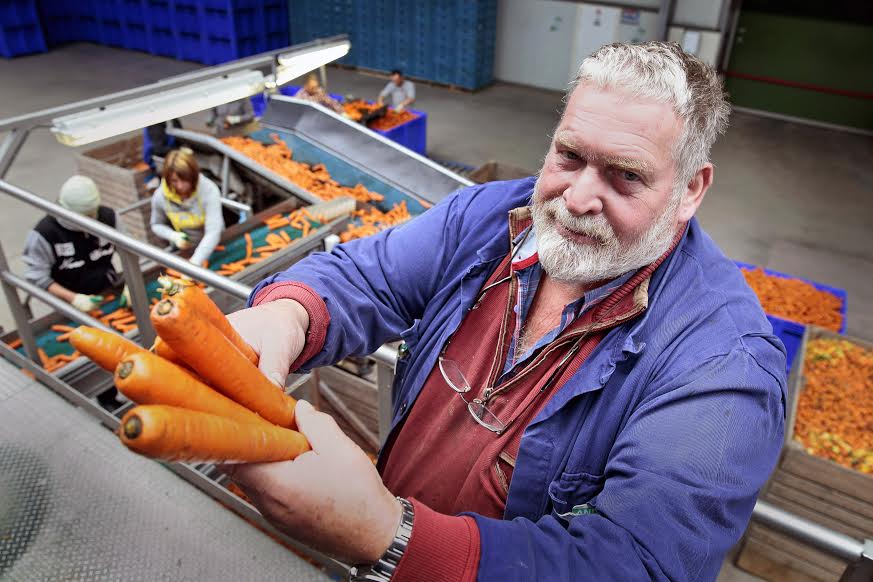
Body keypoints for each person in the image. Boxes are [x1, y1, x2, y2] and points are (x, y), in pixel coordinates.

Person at [225, 42, 786, 582]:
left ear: (691, 189)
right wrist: (287, 317)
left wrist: (389, 535)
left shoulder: (723, 370)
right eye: (569, 155)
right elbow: (367, 277)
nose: (577, 198)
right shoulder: (492, 217)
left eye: (626, 176)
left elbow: (634, 563)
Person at [23, 175, 126, 312]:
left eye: (93, 214)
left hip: (108, 290)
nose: (91, 220)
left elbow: (128, 252)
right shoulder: (44, 234)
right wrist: (74, 298)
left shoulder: (108, 217)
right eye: (85, 216)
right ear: (67, 210)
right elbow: (37, 277)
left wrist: (131, 284)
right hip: (68, 303)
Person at [150, 148, 224, 268]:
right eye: (174, 181)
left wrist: (195, 262)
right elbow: (156, 224)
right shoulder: (160, 196)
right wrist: (173, 236)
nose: (180, 186)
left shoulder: (209, 190)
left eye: (185, 180)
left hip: (214, 246)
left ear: (193, 176)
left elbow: (213, 231)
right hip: (186, 249)